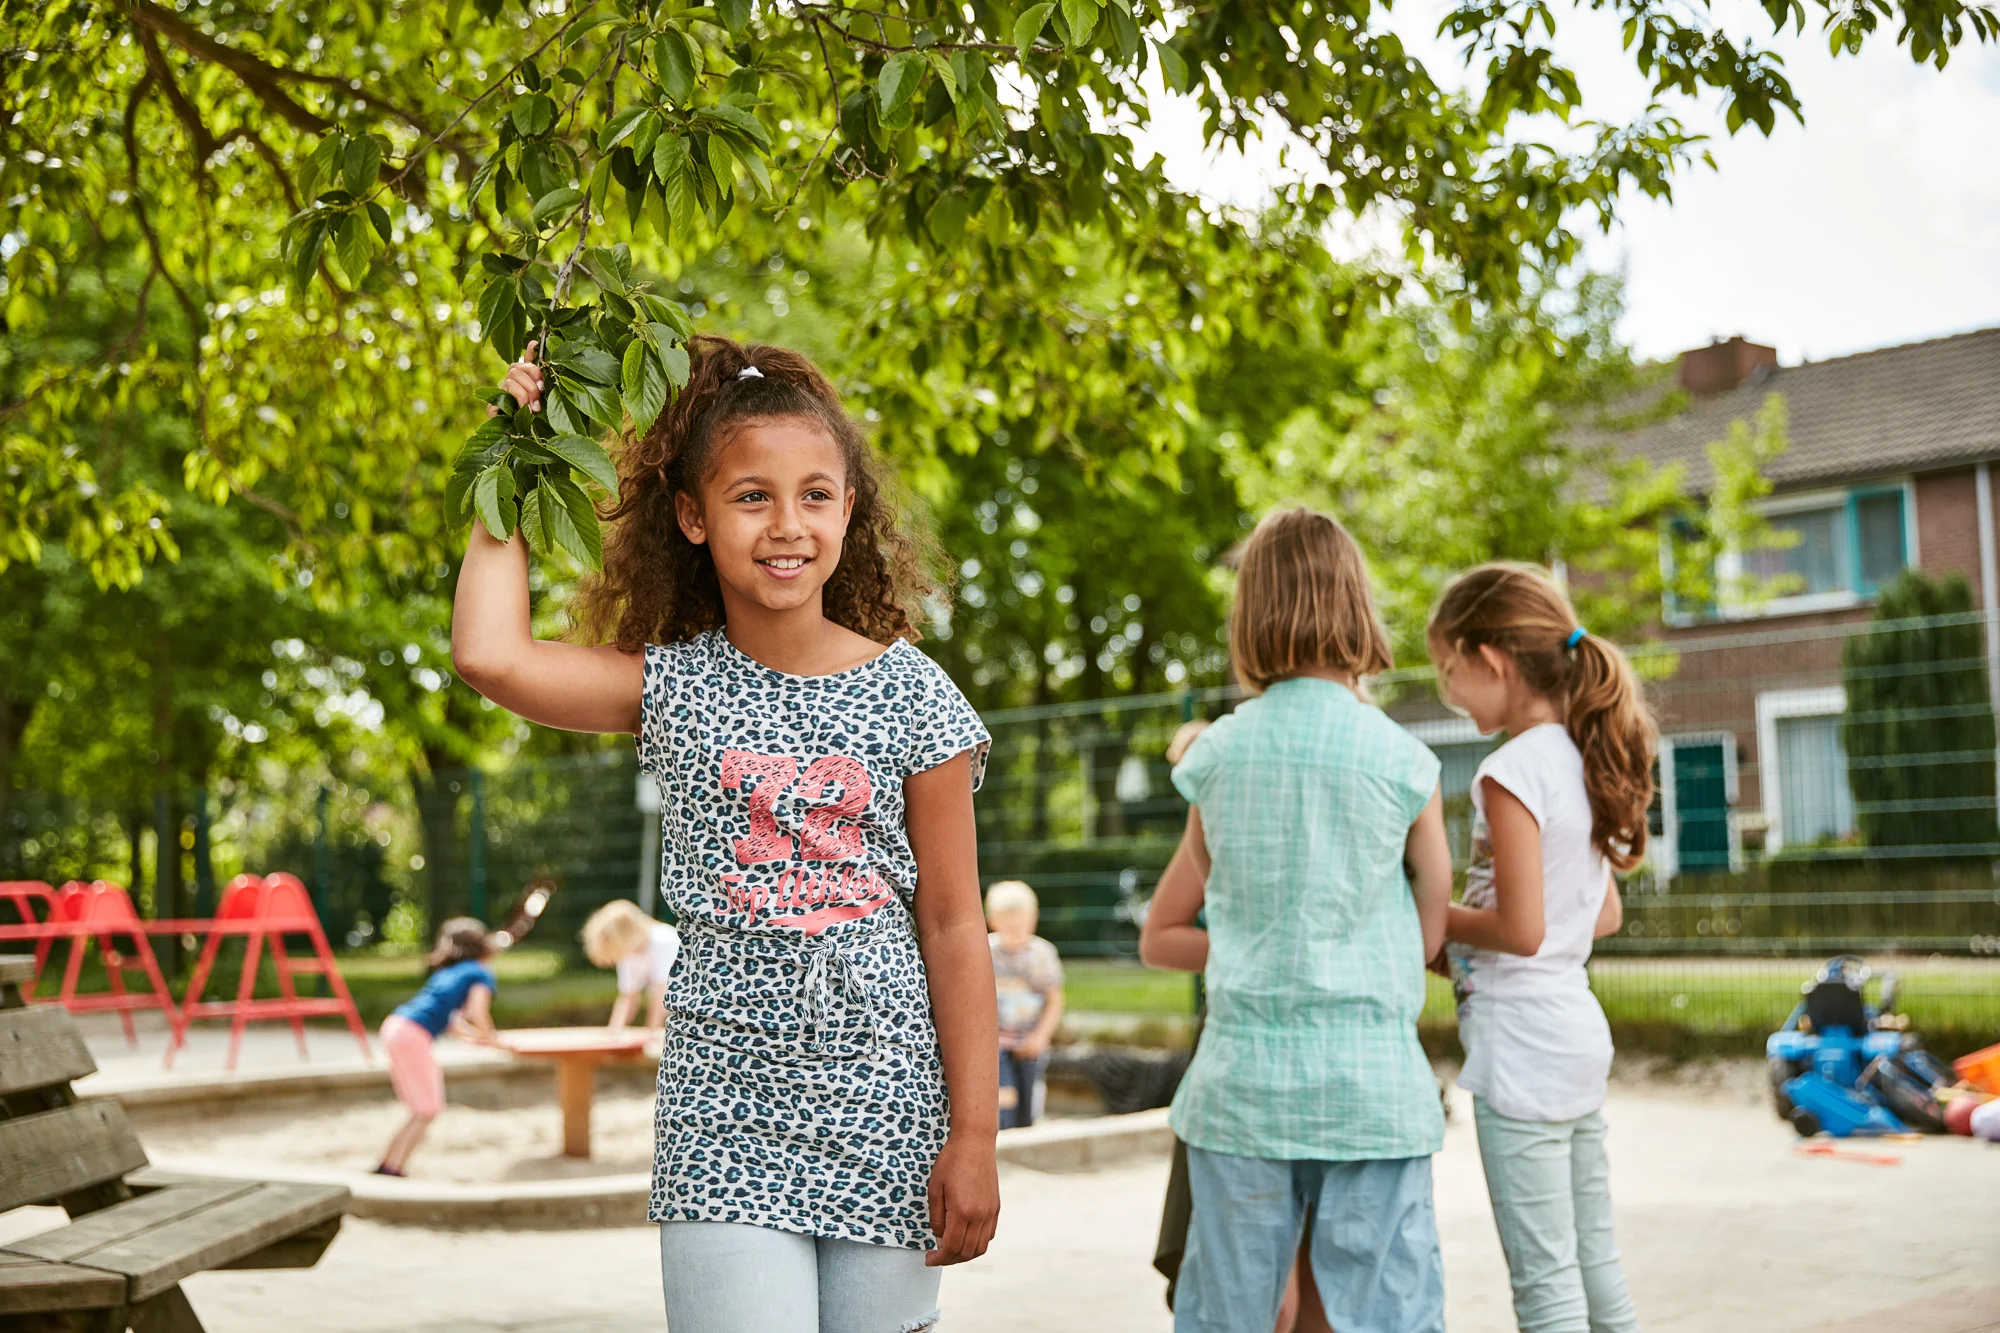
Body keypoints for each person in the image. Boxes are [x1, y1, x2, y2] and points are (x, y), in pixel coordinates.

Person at [453, 336, 998, 1333]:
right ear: (692, 516)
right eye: (752, 496)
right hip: (725, 1112)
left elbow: (955, 923)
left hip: (886, 1106)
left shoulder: (914, 693)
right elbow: (490, 655)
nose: (786, 524)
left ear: (848, 511)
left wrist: (975, 1132)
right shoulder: (672, 682)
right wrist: (511, 455)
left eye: (814, 495)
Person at [1139, 507, 1455, 1333]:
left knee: (1228, 1312)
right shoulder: (1403, 760)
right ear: (1357, 608)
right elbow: (1430, 925)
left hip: (1243, 1088)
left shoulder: (1216, 756)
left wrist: (1262, 941)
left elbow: (1198, 903)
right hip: (1373, 1093)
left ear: (1250, 618)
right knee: (1385, 1310)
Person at [1428, 562, 1652, 1333]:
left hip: (1520, 1047)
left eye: (1447, 671)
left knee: (1546, 1282)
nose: (1447, 692)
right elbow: (1601, 913)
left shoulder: (1509, 771)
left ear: (1489, 658)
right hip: (1575, 1033)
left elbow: (1520, 931)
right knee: (1597, 1261)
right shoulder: (1583, 755)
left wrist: (1435, 914)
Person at [375, 917, 498, 1177]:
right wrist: (493, 1038)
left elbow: (452, 1021)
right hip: (412, 1035)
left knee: (419, 1108)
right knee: (428, 1109)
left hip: (395, 1026)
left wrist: (477, 1037)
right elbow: (478, 1012)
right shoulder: (480, 972)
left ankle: (387, 1162)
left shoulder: (448, 973)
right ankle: (393, 1169)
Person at [984, 880, 1065, 1129]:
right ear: (993, 920)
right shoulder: (986, 949)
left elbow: (1054, 999)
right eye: (1009, 924)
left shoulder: (1041, 954)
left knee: (1028, 1103)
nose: (1017, 929)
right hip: (995, 1041)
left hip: (1029, 1040)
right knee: (1003, 1096)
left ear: (1034, 918)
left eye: (1023, 922)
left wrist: (1040, 1036)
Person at [582, 898, 681, 1031]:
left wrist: (650, 1033)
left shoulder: (663, 941)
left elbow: (661, 995)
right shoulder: (628, 952)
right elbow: (628, 996)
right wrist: (614, 1031)